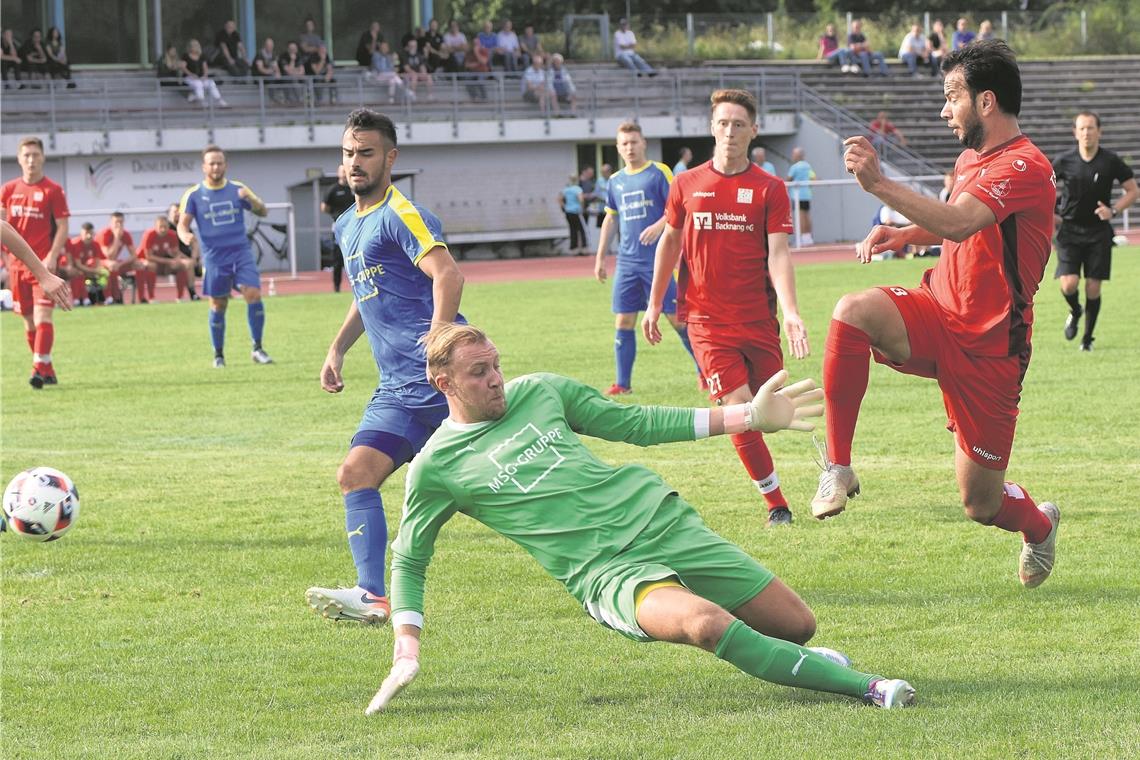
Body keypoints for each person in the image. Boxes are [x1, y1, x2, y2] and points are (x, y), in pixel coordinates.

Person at [367, 322, 917, 715]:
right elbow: (410, 557)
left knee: (797, 625)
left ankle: (798, 659)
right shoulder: (436, 467)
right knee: (705, 624)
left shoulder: (541, 392)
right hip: (607, 573)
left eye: (496, 365)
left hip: (659, 521)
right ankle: (869, 687)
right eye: (479, 372)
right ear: (445, 384)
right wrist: (406, 647)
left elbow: (637, 422)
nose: (496, 379)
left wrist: (747, 415)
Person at [823, 40, 1060, 589]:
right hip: (937, 309)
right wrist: (902, 233)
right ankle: (838, 466)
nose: (943, 110)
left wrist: (880, 186)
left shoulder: (1025, 165)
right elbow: (958, 220)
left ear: (986, 102)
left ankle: (1038, 525)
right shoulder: (969, 158)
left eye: (952, 97)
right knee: (852, 311)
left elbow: (959, 222)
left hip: (991, 347)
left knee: (979, 504)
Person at [305, 108, 465, 626]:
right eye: (349, 153)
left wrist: (440, 342)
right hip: (397, 390)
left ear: (389, 158)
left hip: (447, 383)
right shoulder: (347, 223)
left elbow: (447, 276)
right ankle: (372, 594)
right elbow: (365, 290)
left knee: (510, 493)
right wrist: (337, 348)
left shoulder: (401, 213)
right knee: (355, 474)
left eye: (366, 153)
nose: (355, 162)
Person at [644, 89, 810, 528]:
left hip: (758, 320)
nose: (730, 131)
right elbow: (670, 243)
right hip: (705, 321)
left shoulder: (770, 188)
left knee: (771, 411)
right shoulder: (686, 184)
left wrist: (791, 311)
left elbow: (779, 254)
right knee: (740, 413)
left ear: (753, 130)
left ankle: (832, 468)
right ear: (711, 127)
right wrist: (654, 303)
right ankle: (776, 503)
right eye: (723, 123)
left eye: (739, 124)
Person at [594, 122, 698, 396]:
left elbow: (679, 207)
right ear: (618, 148)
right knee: (623, 321)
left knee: (678, 321)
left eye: (634, 142)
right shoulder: (615, 181)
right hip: (627, 264)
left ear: (644, 144)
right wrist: (600, 257)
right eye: (624, 143)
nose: (629, 148)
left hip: (657, 262)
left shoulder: (658, 172)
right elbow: (611, 217)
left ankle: (705, 373)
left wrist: (660, 224)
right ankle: (623, 384)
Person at [177, 145, 273, 367]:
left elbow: (263, 211)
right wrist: (185, 237)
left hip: (241, 253)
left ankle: (257, 349)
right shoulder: (194, 195)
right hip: (214, 258)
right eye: (211, 163)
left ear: (225, 165)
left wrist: (251, 199)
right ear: (204, 167)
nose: (216, 166)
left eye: (219, 162)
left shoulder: (238, 189)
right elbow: (182, 225)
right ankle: (219, 355)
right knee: (218, 304)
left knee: (254, 294)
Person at [1052, 111, 1137, 351]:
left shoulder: (1110, 161)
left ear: (1099, 131)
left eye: (1091, 128)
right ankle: (1075, 310)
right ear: (1075, 133)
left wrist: (1114, 211)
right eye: (1082, 128)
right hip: (1069, 230)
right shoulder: (1063, 161)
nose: (1086, 132)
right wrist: (1050, 214)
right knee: (1068, 285)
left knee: (1093, 287)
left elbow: (1132, 190)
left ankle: (1087, 339)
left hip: (1098, 231)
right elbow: (1043, 186)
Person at [1, 136, 71, 387]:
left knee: (43, 317)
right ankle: (47, 367)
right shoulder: (8, 190)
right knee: (29, 321)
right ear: (19, 159)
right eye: (26, 155)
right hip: (16, 266)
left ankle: (38, 369)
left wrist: (52, 255)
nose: (31, 160)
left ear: (43, 157)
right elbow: (2, 226)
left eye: (35, 155)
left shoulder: (52, 190)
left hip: (42, 264)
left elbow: (63, 227)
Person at [2, 219, 70, 310]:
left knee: (41, 315)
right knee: (28, 318)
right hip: (17, 266)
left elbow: (2, 227)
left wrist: (44, 276)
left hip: (40, 261)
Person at [138, 215, 194, 301]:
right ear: (156, 227)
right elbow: (148, 256)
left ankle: (181, 297)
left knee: (181, 265)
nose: (163, 229)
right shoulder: (149, 235)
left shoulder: (172, 235)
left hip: (163, 263)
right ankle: (151, 298)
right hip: (146, 262)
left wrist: (179, 259)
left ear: (168, 226)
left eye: (165, 227)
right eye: (160, 227)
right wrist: (169, 261)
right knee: (152, 265)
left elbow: (176, 252)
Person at [321, 164, 355, 292]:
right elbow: (324, 207)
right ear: (338, 173)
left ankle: (357, 285)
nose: (344, 173)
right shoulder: (333, 190)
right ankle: (337, 287)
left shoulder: (353, 188)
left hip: (353, 226)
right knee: (337, 257)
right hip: (339, 228)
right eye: (342, 171)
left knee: (355, 255)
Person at [166, 203, 201, 301]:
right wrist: (188, 259)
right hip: (174, 259)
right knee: (188, 264)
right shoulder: (167, 227)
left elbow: (195, 243)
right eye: (174, 212)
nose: (177, 214)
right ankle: (192, 293)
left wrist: (195, 258)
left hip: (189, 258)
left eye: (179, 212)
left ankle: (222, 292)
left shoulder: (185, 227)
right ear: (169, 214)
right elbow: (171, 250)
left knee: (209, 266)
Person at [183, 39, 227, 107]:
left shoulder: (202, 56)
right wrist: (191, 74)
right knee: (198, 84)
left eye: (195, 46)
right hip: (189, 77)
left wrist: (205, 76)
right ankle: (202, 101)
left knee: (211, 82)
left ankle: (219, 100)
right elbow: (183, 68)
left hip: (200, 77)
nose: (194, 47)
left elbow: (205, 68)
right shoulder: (186, 56)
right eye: (192, 46)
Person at [785, 147, 816, 246]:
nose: (793, 156)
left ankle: (802, 239)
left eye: (794, 154)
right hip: (807, 194)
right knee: (806, 216)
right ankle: (808, 238)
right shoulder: (807, 166)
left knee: (801, 216)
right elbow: (813, 177)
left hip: (797, 195)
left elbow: (788, 179)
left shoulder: (794, 167)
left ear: (798, 155)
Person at [559, 174, 587, 255]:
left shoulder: (566, 189)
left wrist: (564, 207)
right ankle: (583, 248)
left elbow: (560, 199)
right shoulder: (578, 189)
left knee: (572, 230)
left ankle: (573, 248)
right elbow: (581, 199)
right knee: (581, 230)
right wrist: (582, 208)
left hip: (568, 211)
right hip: (576, 211)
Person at [278, 41, 306, 105]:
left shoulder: (299, 56)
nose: (293, 50)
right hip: (285, 79)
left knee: (306, 79)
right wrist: (292, 60)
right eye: (291, 49)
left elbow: (302, 71)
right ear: (288, 49)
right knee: (293, 79)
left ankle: (308, 100)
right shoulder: (283, 56)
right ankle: (298, 100)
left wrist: (295, 72)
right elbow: (288, 71)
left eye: (294, 49)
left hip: (297, 77)